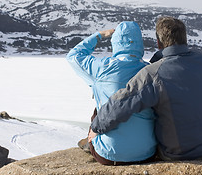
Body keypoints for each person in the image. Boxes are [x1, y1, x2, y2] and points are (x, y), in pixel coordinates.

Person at [89, 16, 202, 160]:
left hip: (178, 152)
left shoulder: (153, 73)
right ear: (184, 38)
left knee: (149, 102)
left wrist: (96, 128)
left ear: (159, 43)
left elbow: (120, 104)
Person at [66, 21, 157, 165]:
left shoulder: (102, 68)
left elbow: (73, 55)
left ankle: (92, 140)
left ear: (116, 42)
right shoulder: (150, 71)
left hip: (108, 155)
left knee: (101, 106)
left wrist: (99, 36)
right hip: (147, 153)